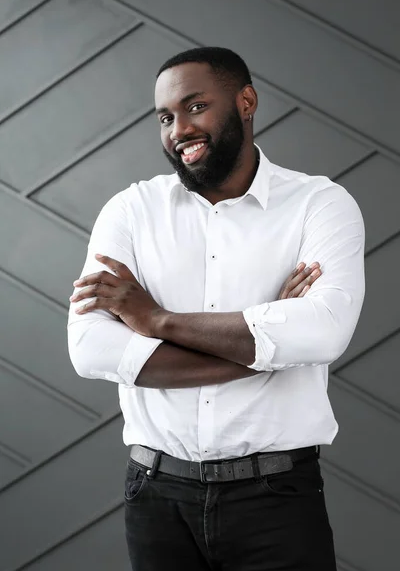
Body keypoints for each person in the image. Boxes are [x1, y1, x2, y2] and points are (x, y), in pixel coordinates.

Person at [67, 47, 365, 570]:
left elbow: (323, 332)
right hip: (155, 496)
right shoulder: (131, 211)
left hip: (276, 497)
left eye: (195, 107)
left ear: (245, 101)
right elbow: (90, 348)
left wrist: (155, 320)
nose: (179, 128)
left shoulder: (320, 204)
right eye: (166, 117)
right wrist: (266, 340)